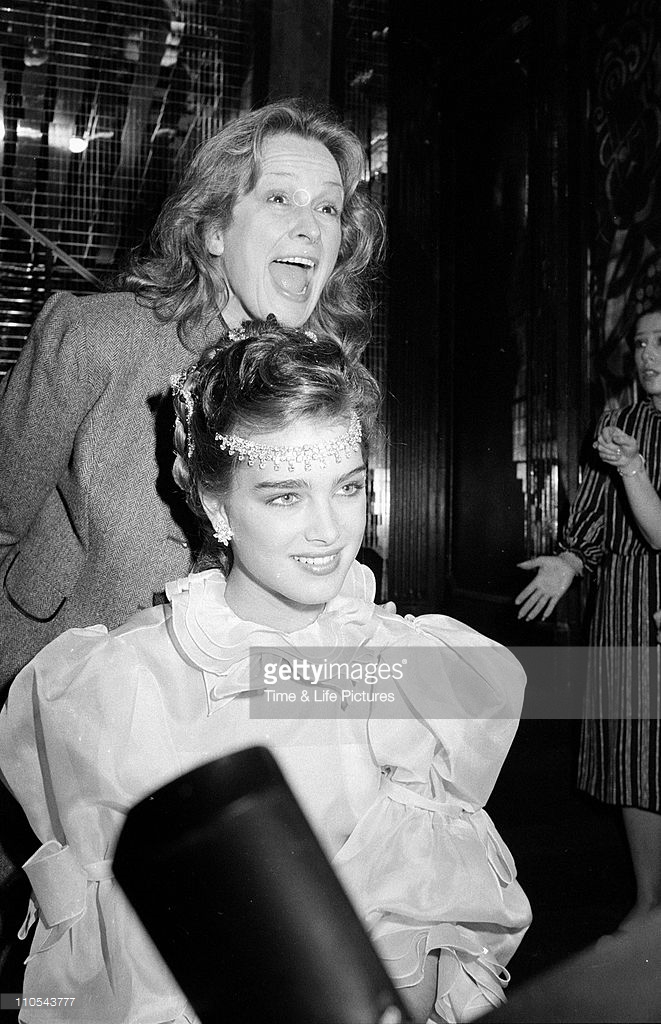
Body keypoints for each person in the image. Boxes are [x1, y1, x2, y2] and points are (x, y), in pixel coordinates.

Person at [0, 321, 531, 1024]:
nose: (328, 531)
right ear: (215, 504)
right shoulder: (121, 686)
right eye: (285, 496)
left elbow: (418, 952)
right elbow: (115, 977)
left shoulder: (402, 670)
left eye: (347, 487)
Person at [0, 96, 385, 696]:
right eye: (279, 198)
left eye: (329, 208)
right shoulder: (95, 337)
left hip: (224, 702)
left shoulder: (327, 379)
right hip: (54, 689)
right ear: (213, 230)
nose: (311, 227)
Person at [515, 304, 661, 932]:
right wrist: (570, 562)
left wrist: (633, 468)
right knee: (633, 752)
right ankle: (649, 904)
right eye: (640, 344)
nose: (648, 355)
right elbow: (598, 514)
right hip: (627, 603)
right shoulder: (621, 423)